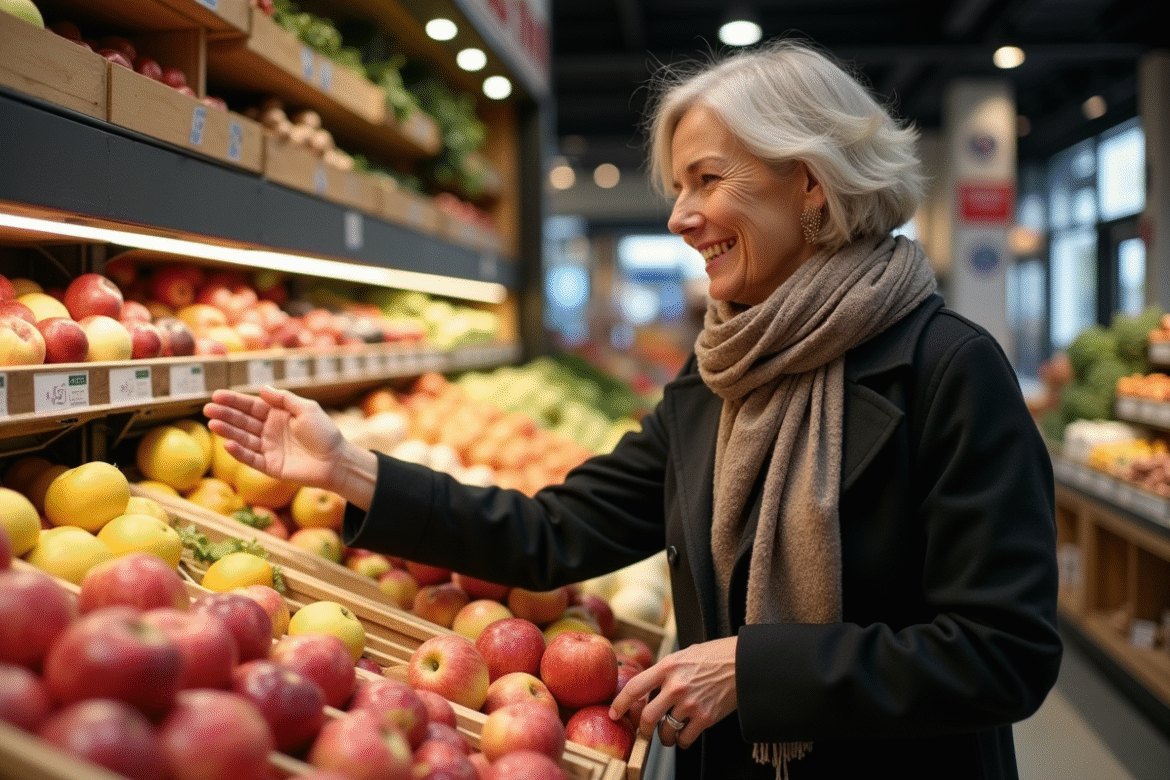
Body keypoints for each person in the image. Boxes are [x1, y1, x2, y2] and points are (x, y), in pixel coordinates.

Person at [204, 39, 1062, 780]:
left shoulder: (949, 371)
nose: (681, 216)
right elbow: (554, 534)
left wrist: (758, 672)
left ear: (808, 183)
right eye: (677, 185)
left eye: (707, 180)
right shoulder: (720, 377)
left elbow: (1004, 653)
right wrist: (350, 468)